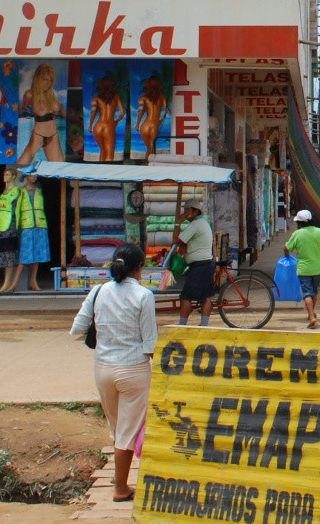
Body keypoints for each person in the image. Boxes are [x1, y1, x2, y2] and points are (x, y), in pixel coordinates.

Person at [70, 243, 158, 503]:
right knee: (128, 431)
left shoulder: (98, 291)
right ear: (139, 268)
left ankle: (118, 477)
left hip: (103, 368)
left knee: (118, 426)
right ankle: (120, 487)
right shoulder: (143, 296)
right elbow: (150, 343)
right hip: (134, 370)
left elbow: (77, 329)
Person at [285, 209, 320, 329]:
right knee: (314, 291)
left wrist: (286, 254)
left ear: (300, 223)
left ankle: (312, 317)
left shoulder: (297, 234)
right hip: (318, 268)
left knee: (307, 293)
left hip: (304, 269)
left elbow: (287, 248)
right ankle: (311, 313)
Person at [172, 204, 217, 326]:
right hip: (206, 264)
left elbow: (176, 240)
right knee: (205, 297)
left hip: (200, 266)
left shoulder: (195, 225)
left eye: (188, 210)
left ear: (196, 211)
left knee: (186, 296)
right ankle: (204, 325)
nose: (185, 212)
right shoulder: (202, 223)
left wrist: (178, 223)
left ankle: (182, 325)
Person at [16, 63, 63, 168]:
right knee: (21, 165)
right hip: (39, 135)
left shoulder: (52, 96)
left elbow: (63, 113)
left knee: (60, 169)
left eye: (50, 80)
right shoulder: (30, 94)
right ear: (38, 79)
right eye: (45, 80)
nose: (48, 83)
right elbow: (22, 110)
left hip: (53, 134)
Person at [0, 167, 22, 292]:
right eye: (4, 174)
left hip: (10, 225)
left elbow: (18, 209)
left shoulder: (17, 191)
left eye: (7, 174)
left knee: (9, 254)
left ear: (13, 177)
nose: (4, 176)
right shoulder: (4, 191)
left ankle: (7, 282)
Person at [18, 172, 50, 291]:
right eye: (31, 175)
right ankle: (15, 282)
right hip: (27, 224)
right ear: (26, 177)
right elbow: (17, 209)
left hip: (39, 223)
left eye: (35, 175)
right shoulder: (21, 191)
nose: (33, 177)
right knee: (25, 255)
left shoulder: (39, 190)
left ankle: (33, 280)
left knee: (37, 253)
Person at [135, 75, 168, 158]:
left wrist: (137, 124)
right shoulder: (162, 97)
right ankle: (150, 166)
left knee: (149, 148)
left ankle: (148, 165)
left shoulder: (143, 98)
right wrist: (161, 121)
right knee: (151, 148)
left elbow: (141, 111)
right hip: (154, 124)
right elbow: (165, 111)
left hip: (145, 125)